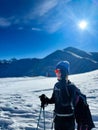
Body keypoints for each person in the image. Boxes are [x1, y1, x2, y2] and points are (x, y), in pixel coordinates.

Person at [39, 61, 95, 130]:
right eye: (56, 71)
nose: (56, 73)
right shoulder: (56, 85)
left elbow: (66, 102)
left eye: (58, 71)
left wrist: (63, 84)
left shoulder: (71, 87)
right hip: (57, 119)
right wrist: (46, 100)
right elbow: (54, 99)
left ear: (64, 72)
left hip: (68, 121)